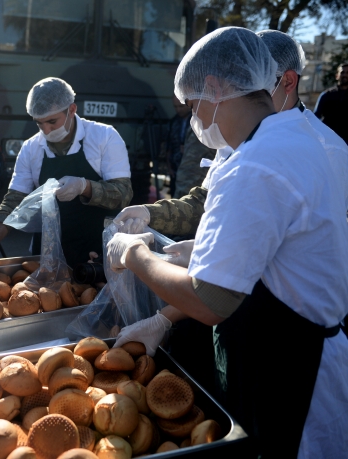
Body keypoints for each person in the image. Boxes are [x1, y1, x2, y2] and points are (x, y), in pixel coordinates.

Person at [108, 27, 348, 458]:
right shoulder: (297, 136)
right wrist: (200, 250)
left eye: (193, 105)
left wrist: (135, 253)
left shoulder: (253, 165)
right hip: (292, 350)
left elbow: (208, 301)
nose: (194, 117)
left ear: (216, 88)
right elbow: (280, 246)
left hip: (290, 369)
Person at [116, 29, 348, 239]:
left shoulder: (327, 149)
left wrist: (138, 257)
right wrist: (149, 213)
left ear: (287, 81)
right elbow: (206, 202)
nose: (242, 89)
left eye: (257, 81)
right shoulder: (240, 133)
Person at [0, 77, 132, 276]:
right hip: (48, 253)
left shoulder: (104, 137)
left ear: (72, 110)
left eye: (52, 122)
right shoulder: (31, 148)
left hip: (97, 250)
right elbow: (13, 201)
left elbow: (123, 194)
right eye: (39, 123)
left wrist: (85, 187)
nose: (46, 130)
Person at [315, 63, 348, 144]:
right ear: (337, 76)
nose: (345, 75)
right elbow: (315, 118)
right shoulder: (326, 95)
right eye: (342, 72)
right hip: (329, 142)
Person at [165, 95, 190, 196]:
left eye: (181, 106)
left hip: (191, 171)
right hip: (175, 169)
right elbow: (168, 146)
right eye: (175, 107)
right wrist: (169, 167)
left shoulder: (198, 122)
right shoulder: (173, 122)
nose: (178, 110)